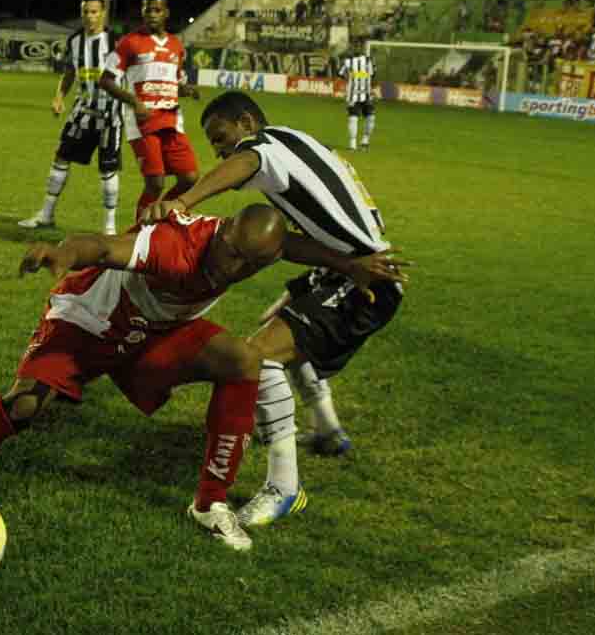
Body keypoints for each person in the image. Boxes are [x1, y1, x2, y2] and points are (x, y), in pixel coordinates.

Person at [0, 204, 403, 554]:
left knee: (242, 360)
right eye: (232, 254)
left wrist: (350, 266)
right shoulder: (178, 246)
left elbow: (290, 245)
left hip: (154, 334)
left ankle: (210, 504)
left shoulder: (254, 248)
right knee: (24, 406)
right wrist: (62, 252)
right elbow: (103, 248)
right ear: (223, 232)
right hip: (88, 322)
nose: (234, 268)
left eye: (249, 264)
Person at [142, 91, 410, 527]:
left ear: (247, 123)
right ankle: (328, 431)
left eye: (221, 137)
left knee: (259, 356)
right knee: (280, 330)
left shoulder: (265, 147)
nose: (220, 150)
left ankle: (284, 488)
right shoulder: (296, 144)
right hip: (345, 268)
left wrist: (184, 201)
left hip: (364, 279)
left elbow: (248, 160)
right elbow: (295, 235)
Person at [18, 0, 123, 236]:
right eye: (86, 12)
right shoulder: (75, 40)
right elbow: (68, 74)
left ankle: (109, 228)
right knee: (61, 157)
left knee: (107, 169)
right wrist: (58, 97)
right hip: (82, 112)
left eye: (94, 12)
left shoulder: (116, 41)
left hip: (110, 116)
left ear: (103, 13)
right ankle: (46, 214)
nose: (90, 16)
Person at [99, 0, 201, 222]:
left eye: (157, 10)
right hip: (142, 121)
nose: (152, 14)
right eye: (148, 10)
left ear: (166, 13)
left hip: (172, 120)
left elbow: (175, 82)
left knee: (190, 178)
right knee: (155, 183)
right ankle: (139, 232)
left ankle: (161, 215)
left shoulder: (176, 45)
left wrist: (186, 89)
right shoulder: (129, 42)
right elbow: (105, 80)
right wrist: (135, 102)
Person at [338, 41, 376, 150]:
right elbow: (340, 74)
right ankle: (353, 144)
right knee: (353, 118)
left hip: (366, 94)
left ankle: (365, 141)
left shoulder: (369, 61)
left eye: (359, 47)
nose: (358, 49)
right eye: (356, 47)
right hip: (353, 95)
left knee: (370, 118)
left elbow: (372, 75)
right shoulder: (348, 62)